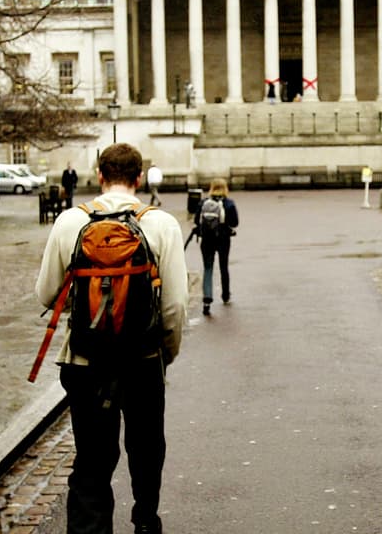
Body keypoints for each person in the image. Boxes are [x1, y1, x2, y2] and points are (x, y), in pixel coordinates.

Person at [34, 143, 186, 534]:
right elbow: (174, 308)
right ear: (139, 178)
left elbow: (45, 293)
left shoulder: (70, 221)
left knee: (92, 458)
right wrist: (165, 354)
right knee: (146, 449)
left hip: (85, 361)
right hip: (143, 357)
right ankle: (145, 518)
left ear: (99, 175)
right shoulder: (163, 224)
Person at [196, 178, 239, 316]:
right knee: (223, 267)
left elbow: (197, 220)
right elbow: (235, 222)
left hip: (207, 240)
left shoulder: (203, 203)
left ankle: (207, 300)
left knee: (208, 268)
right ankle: (225, 294)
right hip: (223, 239)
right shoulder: (229, 203)